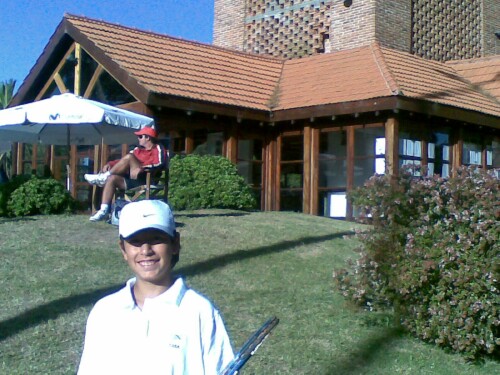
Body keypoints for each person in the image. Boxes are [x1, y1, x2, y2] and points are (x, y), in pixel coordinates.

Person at [77, 200, 235, 374]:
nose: (146, 250)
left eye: (156, 239)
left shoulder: (200, 311)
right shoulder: (105, 311)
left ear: (175, 244)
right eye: (135, 242)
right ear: (123, 249)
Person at [84, 126, 167, 222]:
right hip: (133, 179)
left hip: (147, 178)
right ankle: (103, 210)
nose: (138, 139)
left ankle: (103, 177)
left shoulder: (158, 148)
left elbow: (160, 163)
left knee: (129, 157)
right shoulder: (137, 150)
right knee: (112, 178)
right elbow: (122, 161)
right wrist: (109, 164)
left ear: (147, 137)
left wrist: (142, 168)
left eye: (140, 137)